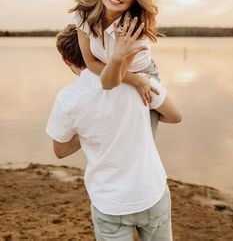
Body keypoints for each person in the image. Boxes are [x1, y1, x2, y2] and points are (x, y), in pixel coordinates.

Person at [46, 21, 182, 240]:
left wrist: (90, 128)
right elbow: (175, 116)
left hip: (110, 202)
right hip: (151, 192)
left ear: (66, 60)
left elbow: (59, 150)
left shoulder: (68, 99)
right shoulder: (138, 81)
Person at [69, 0, 162, 137]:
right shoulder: (83, 14)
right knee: (106, 135)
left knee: (141, 143)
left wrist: (139, 80)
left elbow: (113, 80)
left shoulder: (135, 28)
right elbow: (91, 62)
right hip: (114, 75)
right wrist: (134, 80)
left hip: (144, 75)